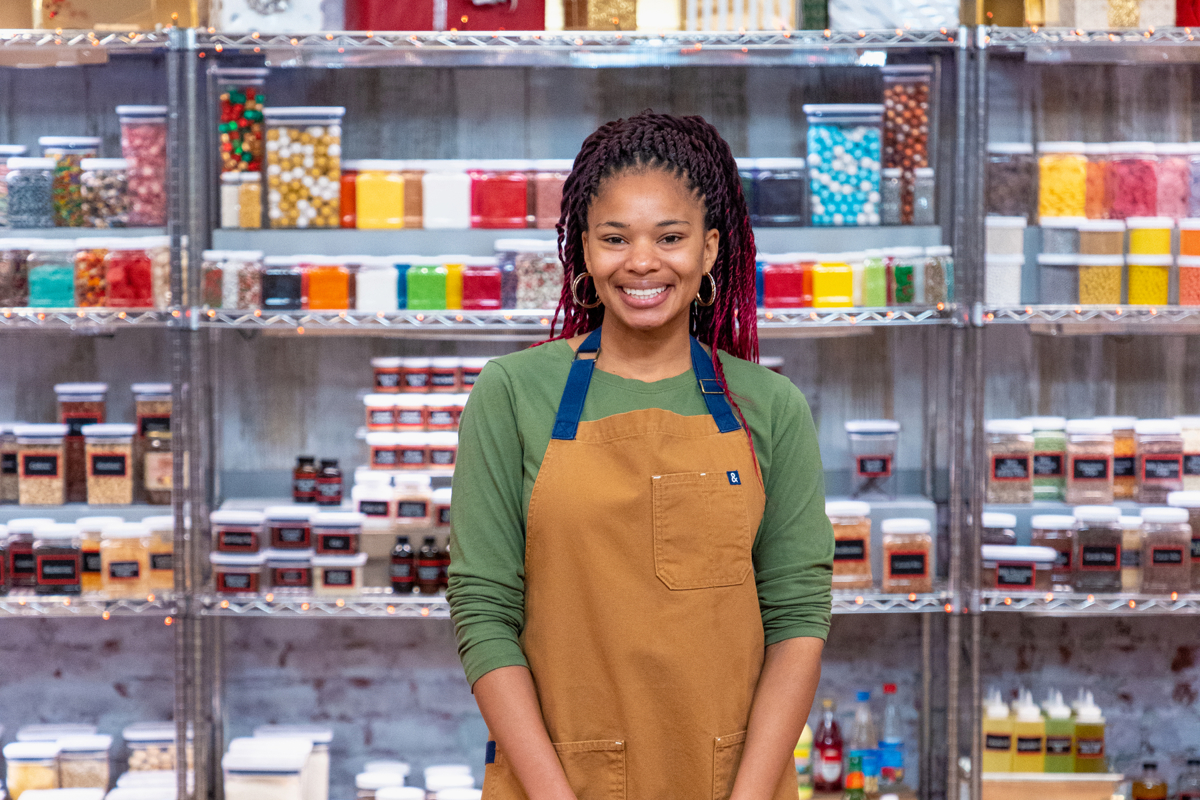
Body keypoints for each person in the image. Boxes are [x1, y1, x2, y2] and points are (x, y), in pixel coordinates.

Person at [447, 111, 833, 800]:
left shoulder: (771, 408)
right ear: (583, 250)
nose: (643, 262)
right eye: (615, 238)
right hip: (556, 782)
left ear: (711, 249)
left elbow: (798, 618)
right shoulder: (510, 396)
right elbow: (483, 612)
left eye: (671, 237)